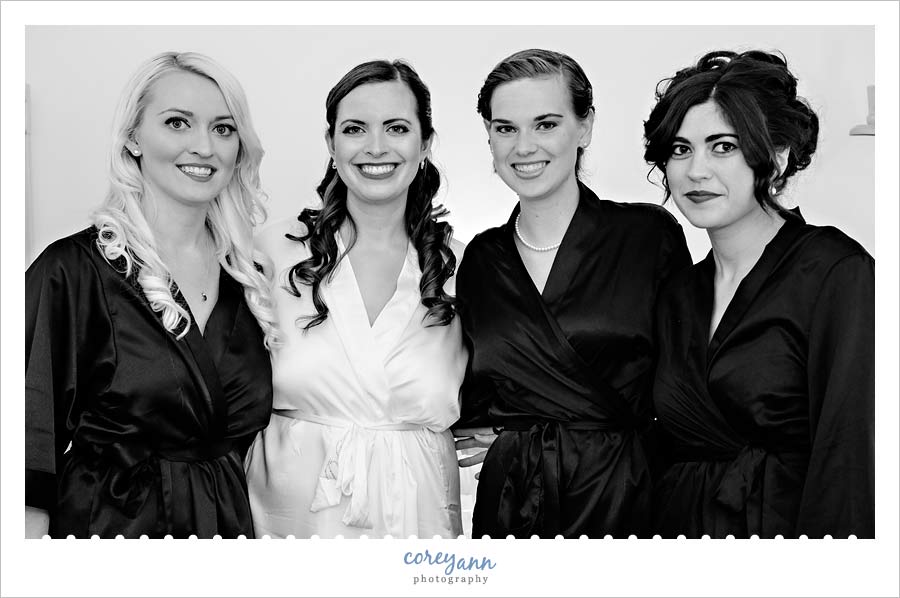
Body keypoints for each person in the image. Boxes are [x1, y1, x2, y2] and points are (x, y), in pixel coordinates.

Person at [25, 51, 277, 538]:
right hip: (106, 537)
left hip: (227, 535)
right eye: (178, 123)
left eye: (224, 129)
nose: (204, 146)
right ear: (134, 138)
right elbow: (26, 450)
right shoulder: (72, 272)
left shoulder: (250, 276)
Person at [453, 49, 692, 539]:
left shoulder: (647, 235)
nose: (523, 147)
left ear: (585, 128)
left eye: (545, 124)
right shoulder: (481, 258)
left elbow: (686, 381)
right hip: (513, 497)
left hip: (624, 491)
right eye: (505, 128)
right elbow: (472, 387)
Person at [643, 50, 874, 538]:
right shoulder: (677, 292)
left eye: (722, 146)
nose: (695, 171)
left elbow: (850, 454)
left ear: (778, 155)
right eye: (680, 150)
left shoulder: (836, 272)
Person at [244, 59, 467, 539]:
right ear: (331, 143)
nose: (376, 147)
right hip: (291, 519)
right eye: (355, 129)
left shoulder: (463, 268)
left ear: (425, 142)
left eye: (397, 128)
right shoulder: (270, 252)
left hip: (418, 517)